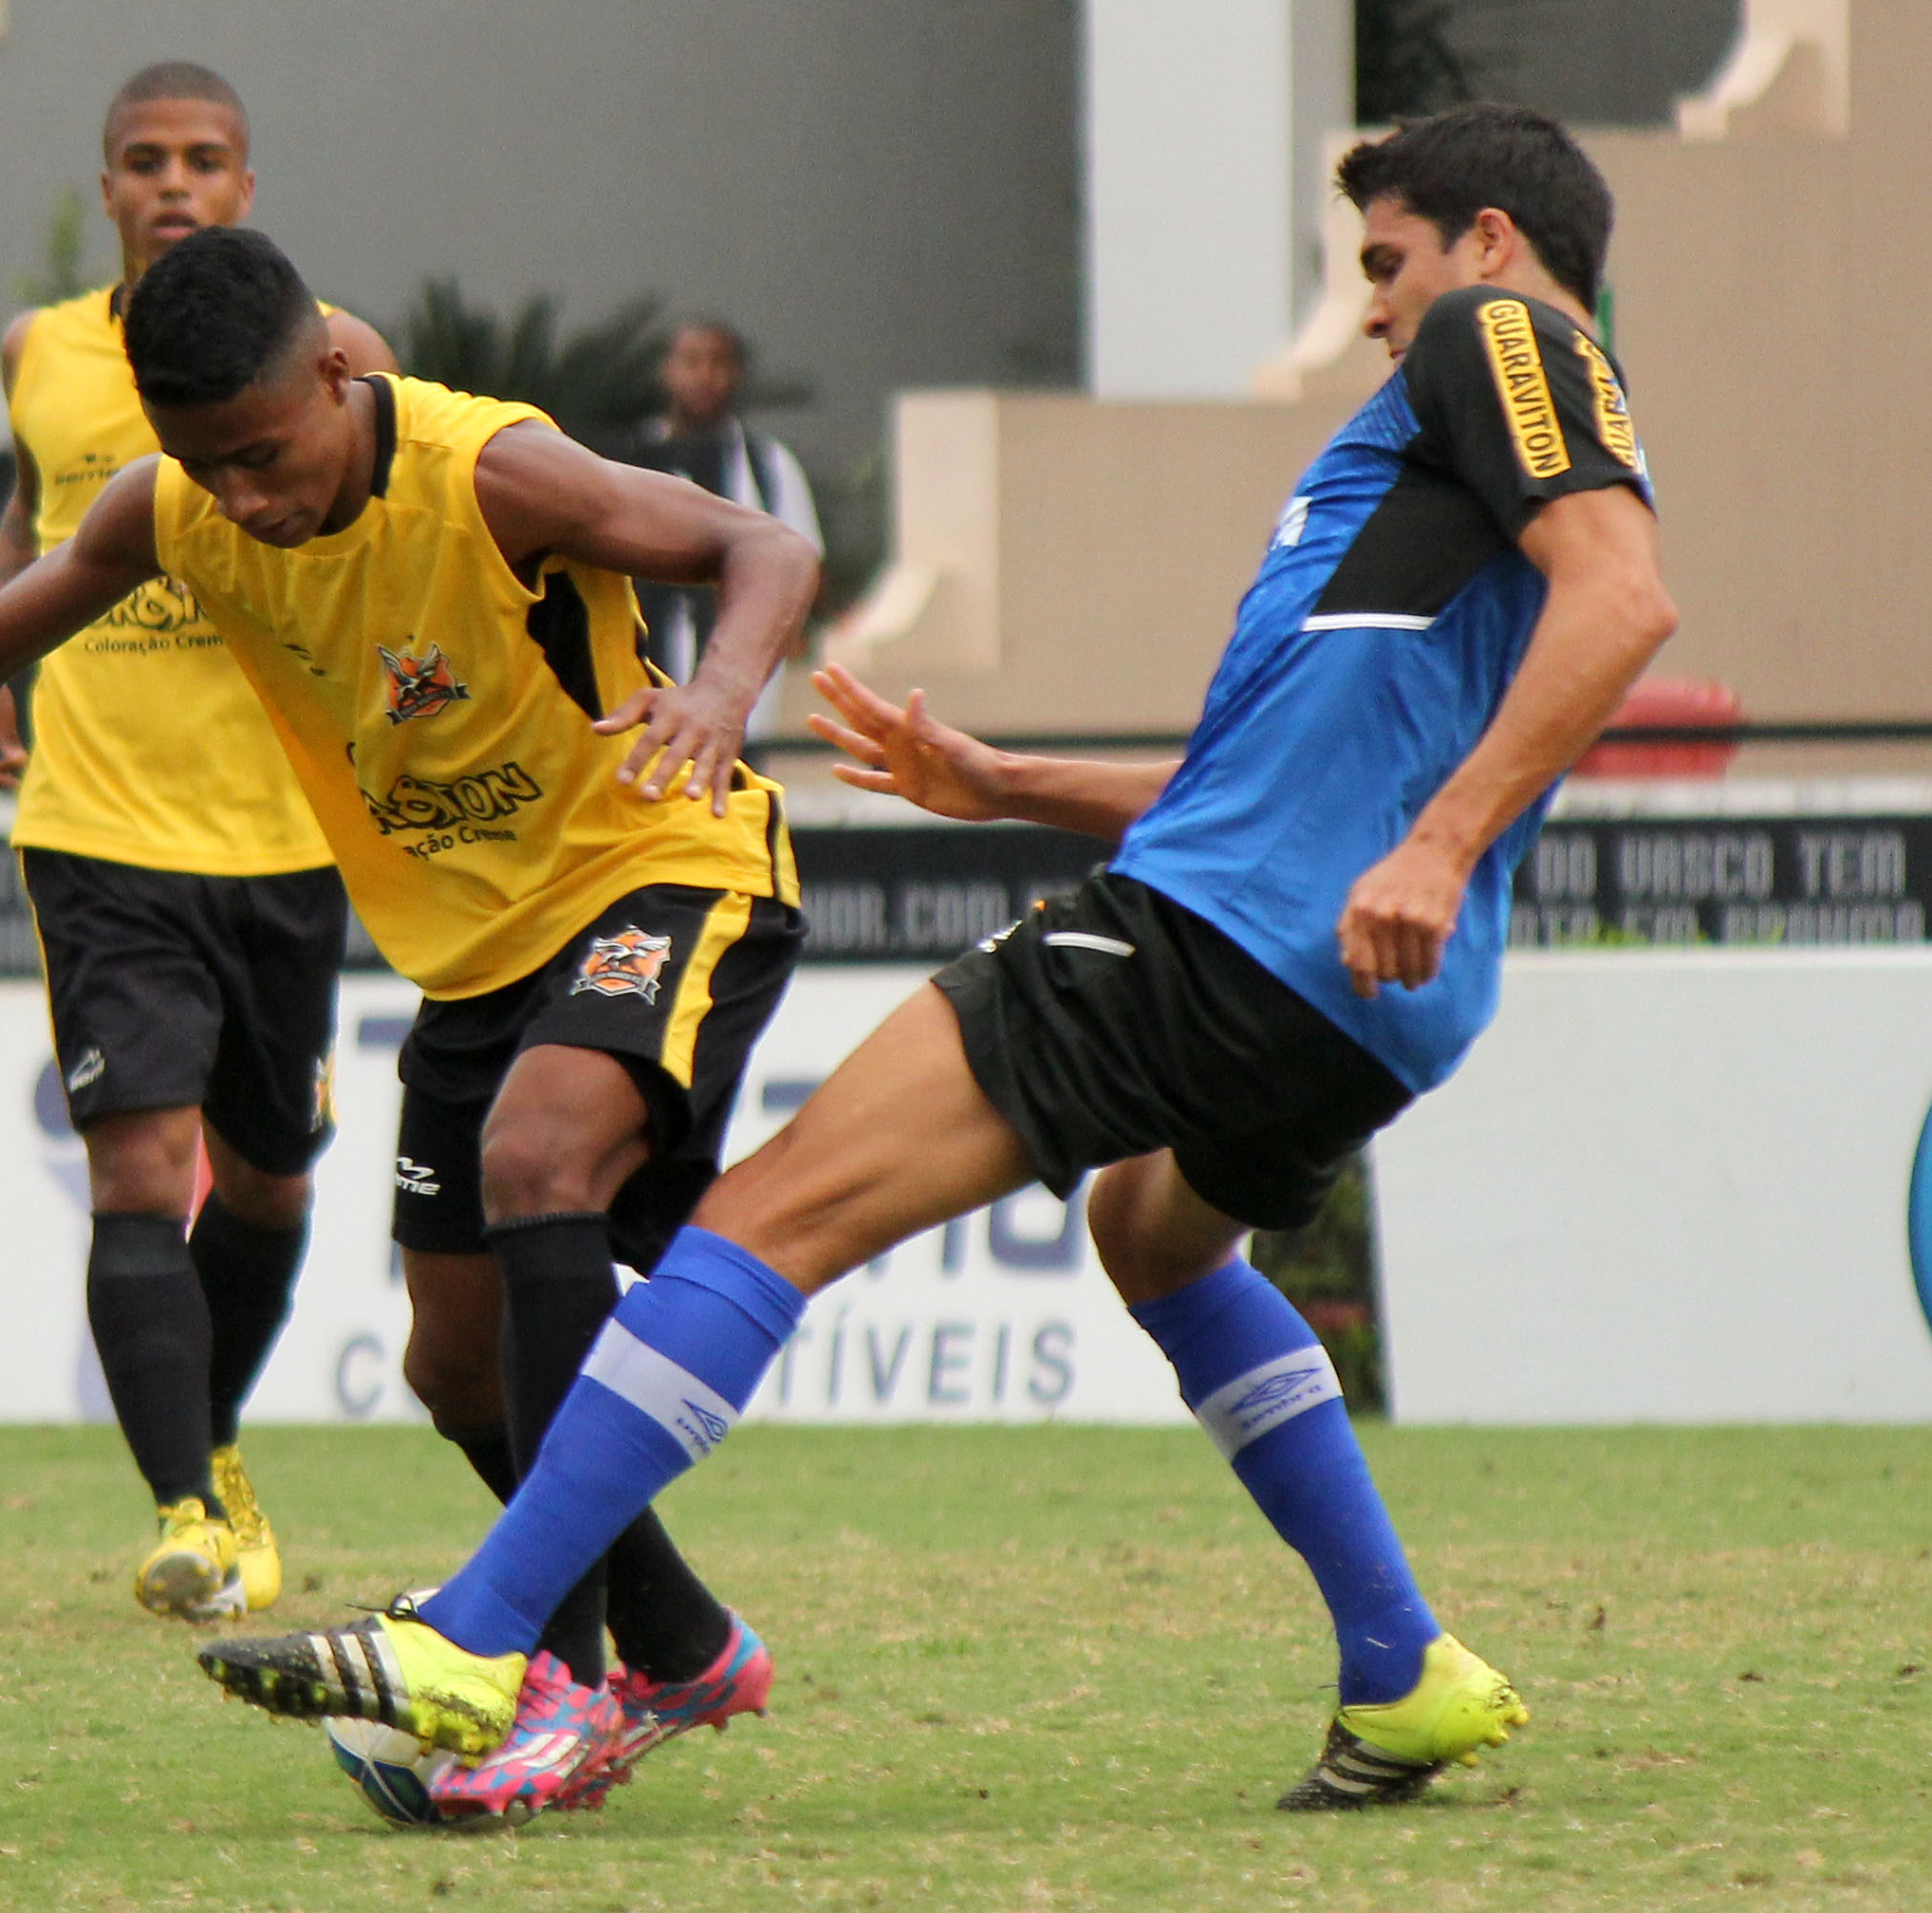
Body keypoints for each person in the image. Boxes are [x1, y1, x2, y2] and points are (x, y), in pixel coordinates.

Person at [191, 102, 1678, 1814]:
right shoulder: (1447, 458)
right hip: (1366, 989)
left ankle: (485, 1633)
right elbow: (1282, 768)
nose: (1368, 309)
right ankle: (1401, 1668)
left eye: (1383, 263)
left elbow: (1625, 600)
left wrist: (1439, 841)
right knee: (1158, 1234)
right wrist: (1011, 786)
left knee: (769, 1214)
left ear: (1489, 244)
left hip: (1248, 935)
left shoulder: (1502, 337)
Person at [0, 225, 820, 1819]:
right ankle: (678, 1638)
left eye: (257, 454)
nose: (238, 497)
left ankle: (550, 1686)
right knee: (456, 1376)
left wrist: (717, 697)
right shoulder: (173, 510)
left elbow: (763, 551)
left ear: (334, 370)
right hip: (474, 960)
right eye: (199, 464)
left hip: (662, 867)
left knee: (539, 1159)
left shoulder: (488, 472)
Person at [0, 61, 397, 1627]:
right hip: (97, 825)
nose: (175, 184)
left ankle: (212, 1442)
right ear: (110, 183)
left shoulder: (329, 354)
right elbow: (29, 522)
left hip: (285, 832)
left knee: (266, 1186)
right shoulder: (41, 354)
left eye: (205, 160)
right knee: (143, 1171)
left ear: (246, 187)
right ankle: (187, 1507)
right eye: (145, 162)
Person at [622, 322, 821, 732]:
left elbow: (803, 562)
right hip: (637, 678)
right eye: (691, 361)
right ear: (667, 370)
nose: (705, 376)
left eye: (719, 363)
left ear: (738, 374)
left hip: (740, 696)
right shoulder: (629, 462)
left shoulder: (769, 466)